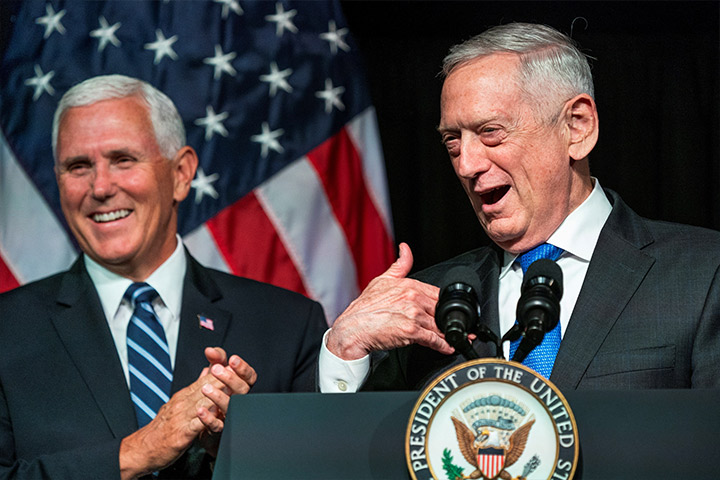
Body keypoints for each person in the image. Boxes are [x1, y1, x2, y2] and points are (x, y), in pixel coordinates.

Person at [319, 22, 720, 393]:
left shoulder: (702, 274)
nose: (466, 165)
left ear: (577, 127)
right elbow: (361, 443)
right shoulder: (427, 304)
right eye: (453, 141)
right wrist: (343, 351)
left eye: (490, 132)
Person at [0, 74, 326, 479]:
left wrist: (235, 451)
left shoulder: (288, 326)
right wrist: (139, 451)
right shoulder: (7, 331)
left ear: (181, 173)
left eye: (123, 159)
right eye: (78, 166)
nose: (100, 187)